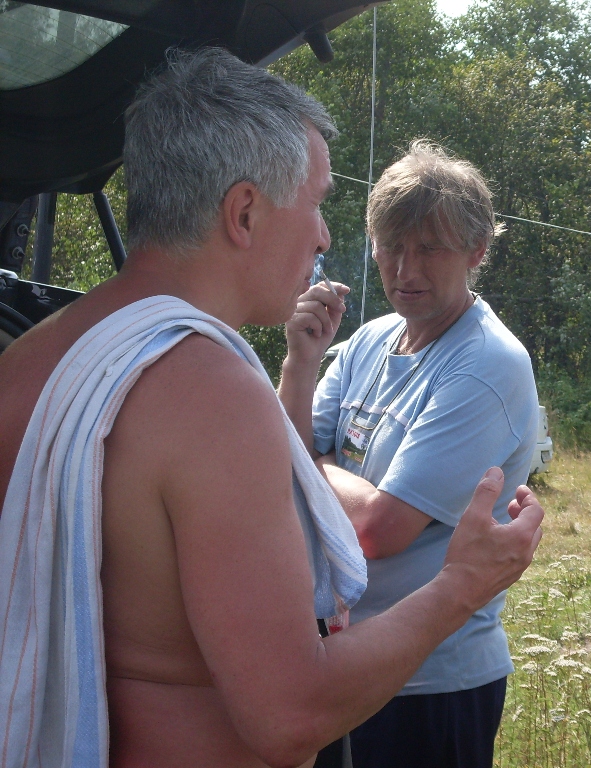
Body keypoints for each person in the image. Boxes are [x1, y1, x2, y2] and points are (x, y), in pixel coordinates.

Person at [0, 48, 543, 768]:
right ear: (246, 212)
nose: (324, 236)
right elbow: (291, 713)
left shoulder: (30, 355)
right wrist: (465, 582)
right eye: (315, 202)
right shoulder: (211, 392)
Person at [277, 141, 539, 768]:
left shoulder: (485, 365)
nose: (405, 269)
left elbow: (379, 529)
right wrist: (300, 364)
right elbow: (276, 460)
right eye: (391, 245)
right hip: (342, 660)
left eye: (430, 248)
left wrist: (312, 464)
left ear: (476, 251)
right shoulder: (370, 339)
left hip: (430, 681)